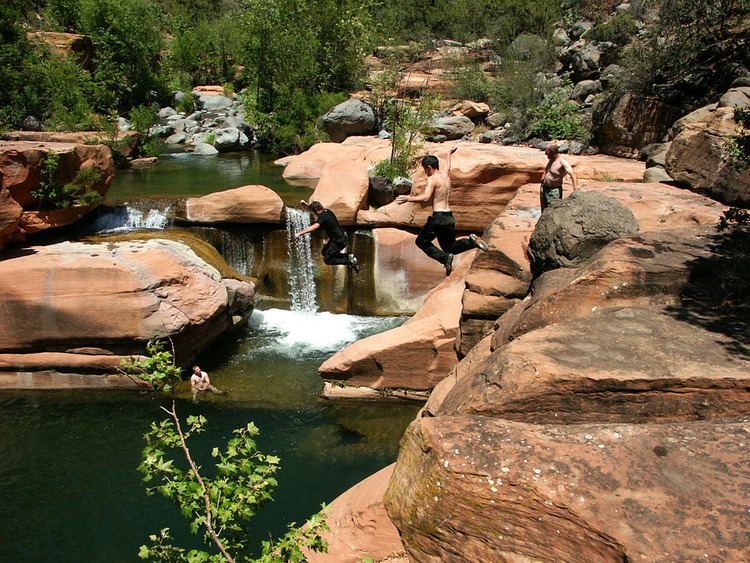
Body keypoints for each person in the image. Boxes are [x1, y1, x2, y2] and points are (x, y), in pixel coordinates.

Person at [395, 146, 488, 275]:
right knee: (451, 247)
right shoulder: (445, 175)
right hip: (449, 217)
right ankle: (471, 242)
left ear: (428, 167)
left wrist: (408, 198)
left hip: (438, 218)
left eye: (425, 170)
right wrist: (448, 153)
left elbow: (426, 197)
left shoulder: (432, 179)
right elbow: (448, 166)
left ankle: (444, 258)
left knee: (421, 241)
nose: (426, 172)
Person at [296, 200, 359, 272]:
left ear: (316, 210)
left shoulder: (323, 218)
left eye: (314, 212)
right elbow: (312, 208)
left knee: (327, 260)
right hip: (339, 237)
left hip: (339, 241)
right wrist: (304, 204)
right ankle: (349, 256)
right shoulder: (326, 211)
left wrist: (300, 233)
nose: (314, 213)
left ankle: (350, 261)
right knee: (324, 252)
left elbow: (314, 227)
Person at [540, 142, 579, 210]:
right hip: (544, 188)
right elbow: (547, 169)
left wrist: (575, 189)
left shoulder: (562, 162)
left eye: (547, 151)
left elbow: (572, 174)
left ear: (553, 152)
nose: (545, 153)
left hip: (554, 191)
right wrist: (543, 178)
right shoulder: (551, 160)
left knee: (553, 211)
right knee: (544, 211)